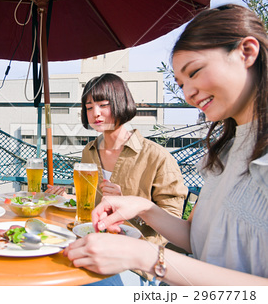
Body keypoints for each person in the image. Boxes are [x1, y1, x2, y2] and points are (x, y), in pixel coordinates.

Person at [63, 4, 268, 285]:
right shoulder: (226, 151)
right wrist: (142, 206)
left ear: (247, 52)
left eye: (194, 72)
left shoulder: (157, 155)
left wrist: (144, 254)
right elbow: (197, 240)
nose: (188, 94)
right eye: (180, 84)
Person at [50, 73, 187, 248]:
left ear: (120, 103)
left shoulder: (157, 156)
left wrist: (128, 205)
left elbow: (173, 222)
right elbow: (94, 204)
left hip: (138, 255)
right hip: (94, 242)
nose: (95, 113)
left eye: (103, 105)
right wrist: (66, 198)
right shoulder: (89, 151)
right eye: (89, 107)